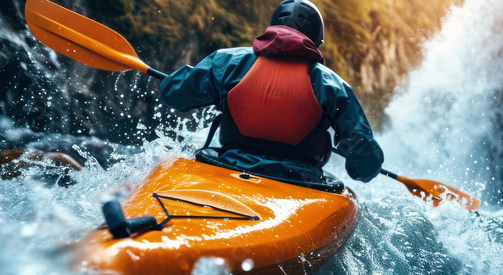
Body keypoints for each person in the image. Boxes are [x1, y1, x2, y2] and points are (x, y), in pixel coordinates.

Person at [158, 0, 384, 183]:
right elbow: (365, 164)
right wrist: (356, 162)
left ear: (274, 25)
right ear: (316, 40)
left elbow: (173, 95)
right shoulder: (333, 86)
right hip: (298, 180)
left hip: (228, 166)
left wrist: (216, 93)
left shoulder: (227, 61)